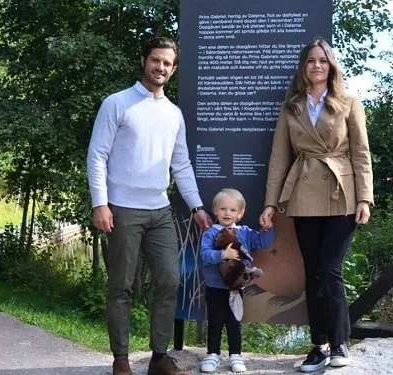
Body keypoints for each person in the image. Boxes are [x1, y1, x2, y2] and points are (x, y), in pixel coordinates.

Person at [87, 36, 213, 375]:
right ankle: (121, 361)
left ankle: (159, 358)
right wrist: (101, 203)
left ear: (173, 69)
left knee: (170, 281)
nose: (161, 67)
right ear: (143, 60)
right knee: (121, 287)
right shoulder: (117, 104)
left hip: (160, 211)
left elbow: (182, 165)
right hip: (122, 209)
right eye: (155, 60)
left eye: (167, 63)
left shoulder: (173, 114)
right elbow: (97, 155)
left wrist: (198, 206)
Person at [259, 39, 373, 371]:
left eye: (323, 60)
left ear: (331, 66)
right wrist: (270, 203)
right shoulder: (291, 106)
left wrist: (365, 197)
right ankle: (318, 345)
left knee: (331, 270)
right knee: (312, 273)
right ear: (304, 67)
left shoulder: (348, 100)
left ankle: (340, 343)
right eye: (311, 61)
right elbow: (279, 158)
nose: (317, 66)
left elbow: (361, 153)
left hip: (342, 194)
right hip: (304, 194)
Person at [199, 188, 275, 373]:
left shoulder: (245, 232)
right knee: (215, 322)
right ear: (215, 211)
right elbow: (205, 255)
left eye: (233, 210)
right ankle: (212, 354)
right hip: (214, 287)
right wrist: (222, 254)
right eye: (223, 209)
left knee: (234, 322)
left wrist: (268, 228)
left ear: (240, 214)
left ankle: (236, 355)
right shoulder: (210, 233)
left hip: (236, 288)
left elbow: (262, 243)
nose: (227, 213)